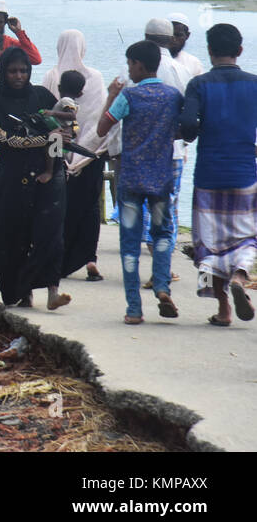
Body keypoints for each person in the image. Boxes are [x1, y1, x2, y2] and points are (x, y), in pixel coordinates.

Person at [94, 41, 181, 324]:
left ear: (139, 65)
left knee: (130, 244)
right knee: (163, 235)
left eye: (130, 64)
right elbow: (184, 129)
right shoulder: (172, 96)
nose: (129, 69)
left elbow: (102, 128)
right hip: (161, 178)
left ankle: (134, 308)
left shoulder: (128, 97)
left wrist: (111, 96)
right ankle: (161, 286)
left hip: (131, 178)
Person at [179, 23, 257, 326]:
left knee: (210, 243)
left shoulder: (199, 85)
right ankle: (240, 275)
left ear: (210, 51)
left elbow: (187, 125)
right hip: (245, 174)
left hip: (209, 173)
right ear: (239, 50)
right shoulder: (254, 84)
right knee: (246, 236)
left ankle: (224, 309)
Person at [0, 46, 71, 311]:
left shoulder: (42, 95)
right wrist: (47, 138)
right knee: (11, 236)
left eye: (23, 70)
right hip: (12, 176)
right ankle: (20, 292)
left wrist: (56, 159)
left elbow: (61, 130)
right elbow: (6, 140)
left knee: (50, 235)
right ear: (3, 73)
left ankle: (53, 290)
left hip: (48, 175)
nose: (19, 76)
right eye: (12, 71)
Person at [43, 30, 108, 282]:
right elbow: (98, 116)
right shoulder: (96, 77)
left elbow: (47, 118)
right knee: (90, 206)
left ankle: (60, 257)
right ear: (83, 49)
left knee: (58, 206)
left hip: (57, 152)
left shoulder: (52, 76)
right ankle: (90, 260)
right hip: (90, 154)